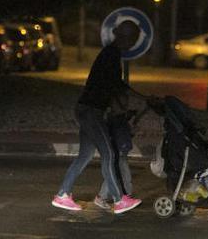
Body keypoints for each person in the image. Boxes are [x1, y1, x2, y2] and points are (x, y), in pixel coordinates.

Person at [51, 20, 147, 214]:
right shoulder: (112, 54)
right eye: (134, 38)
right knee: (109, 154)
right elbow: (115, 85)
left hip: (87, 109)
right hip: (91, 111)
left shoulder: (110, 52)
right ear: (127, 38)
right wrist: (140, 98)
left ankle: (63, 194)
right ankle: (119, 200)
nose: (134, 43)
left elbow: (112, 84)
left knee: (85, 156)